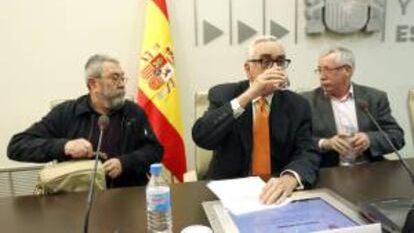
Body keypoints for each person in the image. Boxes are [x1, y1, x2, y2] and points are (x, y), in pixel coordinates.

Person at [192, 36, 320, 204]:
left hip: (275, 192)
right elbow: (203, 137)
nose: (275, 68)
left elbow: (307, 151)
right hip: (229, 191)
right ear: (248, 68)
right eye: (265, 61)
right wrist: (250, 95)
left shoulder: (297, 104)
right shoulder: (224, 94)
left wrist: (290, 177)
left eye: (280, 62)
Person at [7, 54, 163, 188]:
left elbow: (155, 150)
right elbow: (17, 146)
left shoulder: (133, 112)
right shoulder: (66, 113)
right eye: (115, 78)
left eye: (123, 77)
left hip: (127, 196)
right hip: (77, 200)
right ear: (93, 84)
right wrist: (64, 146)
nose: (122, 84)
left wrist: (125, 163)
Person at [302, 47, 405, 167]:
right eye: (319, 70)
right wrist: (326, 143)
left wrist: (369, 139)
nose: (322, 76)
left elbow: (397, 136)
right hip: (327, 170)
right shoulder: (306, 101)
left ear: (347, 70)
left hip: (369, 169)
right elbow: (298, 142)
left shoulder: (374, 98)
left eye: (327, 70)